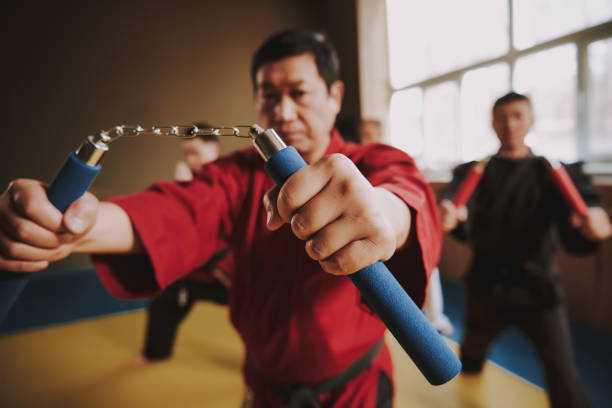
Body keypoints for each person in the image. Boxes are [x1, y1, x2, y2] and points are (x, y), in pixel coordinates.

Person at [0, 29, 442, 407]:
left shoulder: (375, 163)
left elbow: (404, 197)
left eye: (299, 93)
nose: (283, 112)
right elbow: (175, 211)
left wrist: (383, 216)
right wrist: (72, 226)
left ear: (335, 95)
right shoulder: (235, 177)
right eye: (269, 96)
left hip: (355, 391)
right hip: (263, 388)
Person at [438, 91, 611, 408]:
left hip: (539, 290)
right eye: (502, 117)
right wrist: (449, 213)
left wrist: (592, 228)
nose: (510, 125)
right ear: (492, 123)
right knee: (471, 357)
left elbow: (584, 217)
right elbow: (456, 205)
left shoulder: (553, 172)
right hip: (486, 285)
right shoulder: (475, 172)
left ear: (531, 121)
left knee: (564, 378)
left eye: (518, 116)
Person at [137, 128, 233, 363]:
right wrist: (181, 188)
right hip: (194, 272)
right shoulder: (186, 180)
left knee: (259, 316)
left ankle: (265, 367)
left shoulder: (230, 178)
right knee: (163, 305)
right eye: (187, 153)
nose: (191, 159)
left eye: (195, 152)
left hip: (228, 271)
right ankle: (155, 353)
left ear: (214, 149)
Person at [359, 118, 454, 335]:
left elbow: (403, 189)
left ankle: (436, 317)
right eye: (363, 134)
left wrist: (394, 215)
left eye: (371, 134)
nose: (367, 138)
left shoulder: (392, 158)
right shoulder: (358, 160)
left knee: (430, 272)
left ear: (380, 134)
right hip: (371, 236)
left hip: (398, 224)